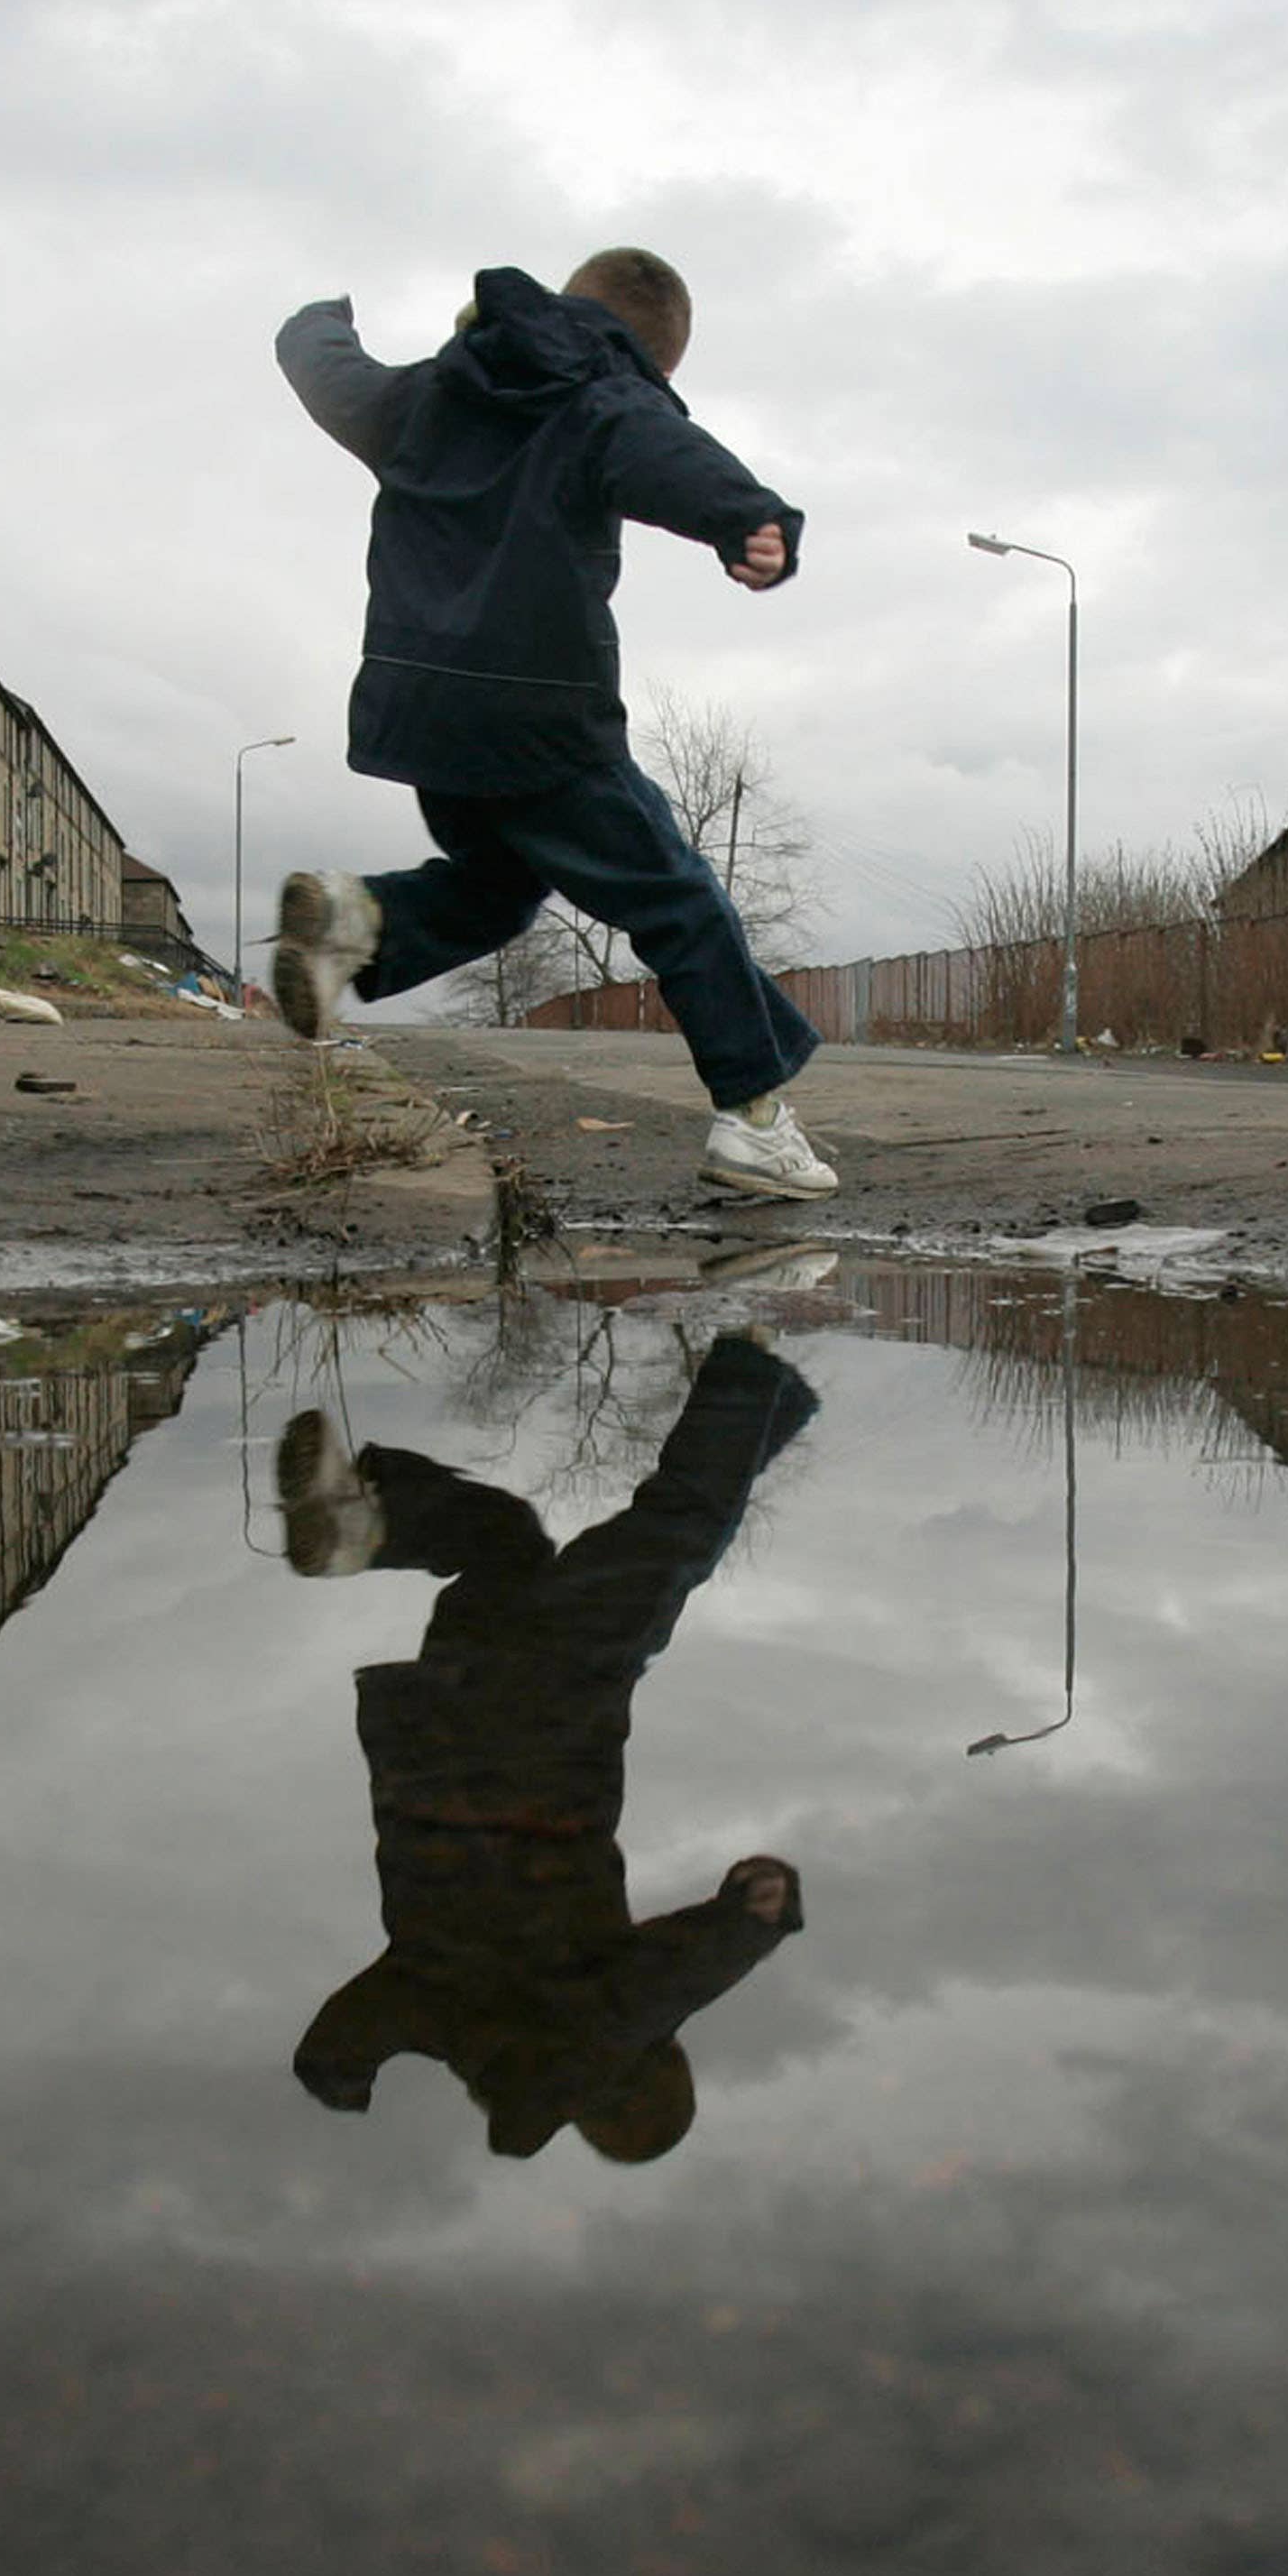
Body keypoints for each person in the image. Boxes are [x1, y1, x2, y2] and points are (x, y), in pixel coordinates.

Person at [269, 249, 840, 1202]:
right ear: (657, 355)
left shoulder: (435, 392)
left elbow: (335, 380)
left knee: (500, 886)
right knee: (678, 897)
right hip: (537, 712)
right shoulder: (599, 392)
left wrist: (315, 321)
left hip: (420, 710)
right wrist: (748, 517)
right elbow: (662, 454)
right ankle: (754, 1117)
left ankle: (359, 921)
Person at [281, 1333, 819, 2160]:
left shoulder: (594, 2045)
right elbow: (341, 2039)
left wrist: (752, 1923)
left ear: (642, 2074)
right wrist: (342, 2078)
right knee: (506, 1545)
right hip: (438, 1722)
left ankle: (755, 1358)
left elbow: (660, 1987)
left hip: (546, 1729)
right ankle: (367, 1525)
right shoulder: (441, 2018)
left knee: (676, 1537)